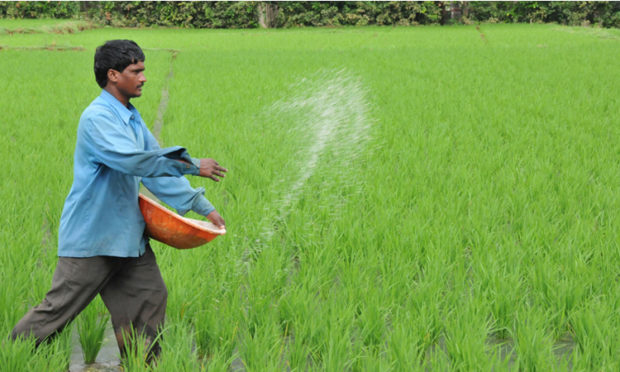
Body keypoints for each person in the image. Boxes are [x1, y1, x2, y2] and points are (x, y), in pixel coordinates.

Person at [11, 39, 227, 362]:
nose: (143, 77)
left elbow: (154, 170)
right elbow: (135, 161)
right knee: (55, 313)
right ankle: (10, 356)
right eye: (135, 71)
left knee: (151, 299)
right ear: (113, 75)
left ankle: (142, 367)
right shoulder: (97, 118)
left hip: (128, 241)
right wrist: (193, 165)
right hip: (93, 240)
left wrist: (202, 206)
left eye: (143, 70)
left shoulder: (131, 117)